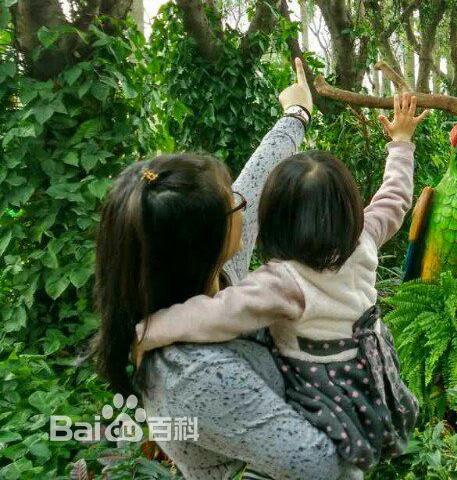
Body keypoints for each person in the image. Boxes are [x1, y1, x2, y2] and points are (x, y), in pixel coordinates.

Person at [93, 59, 384, 479]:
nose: (244, 203)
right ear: (204, 242)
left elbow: (254, 177)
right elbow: (313, 464)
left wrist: (296, 115)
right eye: (231, 203)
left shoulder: (215, 272)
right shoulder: (195, 374)